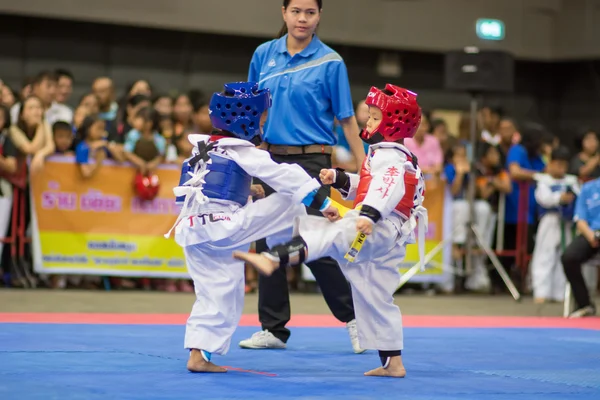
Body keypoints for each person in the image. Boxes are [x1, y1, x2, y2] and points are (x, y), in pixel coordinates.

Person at [235, 84, 427, 378]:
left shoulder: (391, 157)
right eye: (370, 116)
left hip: (379, 226)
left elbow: (386, 189)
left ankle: (273, 257)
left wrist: (371, 215)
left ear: (393, 124)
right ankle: (393, 362)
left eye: (375, 118)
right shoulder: (389, 156)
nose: (368, 122)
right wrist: (339, 179)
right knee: (374, 296)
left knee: (326, 230)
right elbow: (367, 187)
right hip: (389, 232)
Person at [165, 82, 345, 373]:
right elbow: (286, 175)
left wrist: (250, 192)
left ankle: (198, 355)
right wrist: (324, 204)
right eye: (261, 118)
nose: (263, 123)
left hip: (192, 232)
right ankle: (281, 250)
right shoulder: (243, 150)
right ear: (245, 119)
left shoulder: (202, 149)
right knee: (289, 198)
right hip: (224, 229)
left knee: (218, 294)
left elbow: (211, 190)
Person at [239, 0, 364, 353]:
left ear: (319, 16)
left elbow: (347, 119)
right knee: (267, 239)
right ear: (284, 13)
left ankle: (356, 319)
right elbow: (249, 112)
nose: (302, 19)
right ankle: (273, 329)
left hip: (314, 162)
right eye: (296, 11)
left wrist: (365, 167)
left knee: (316, 242)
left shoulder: (331, 62)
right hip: (271, 159)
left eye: (310, 12)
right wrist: (246, 159)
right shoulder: (264, 55)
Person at [530, 147, 579, 303]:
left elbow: (579, 197)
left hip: (567, 223)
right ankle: (541, 291)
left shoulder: (572, 181)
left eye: (564, 165)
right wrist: (560, 198)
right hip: (550, 220)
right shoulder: (543, 180)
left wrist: (571, 200)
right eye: (557, 164)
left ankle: (559, 293)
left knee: (563, 257)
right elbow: (543, 198)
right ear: (550, 164)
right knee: (545, 255)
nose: (561, 169)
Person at [561, 176, 600, 318]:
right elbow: (580, 219)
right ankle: (585, 304)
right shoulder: (588, 188)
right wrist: (591, 236)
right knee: (569, 258)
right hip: (591, 233)